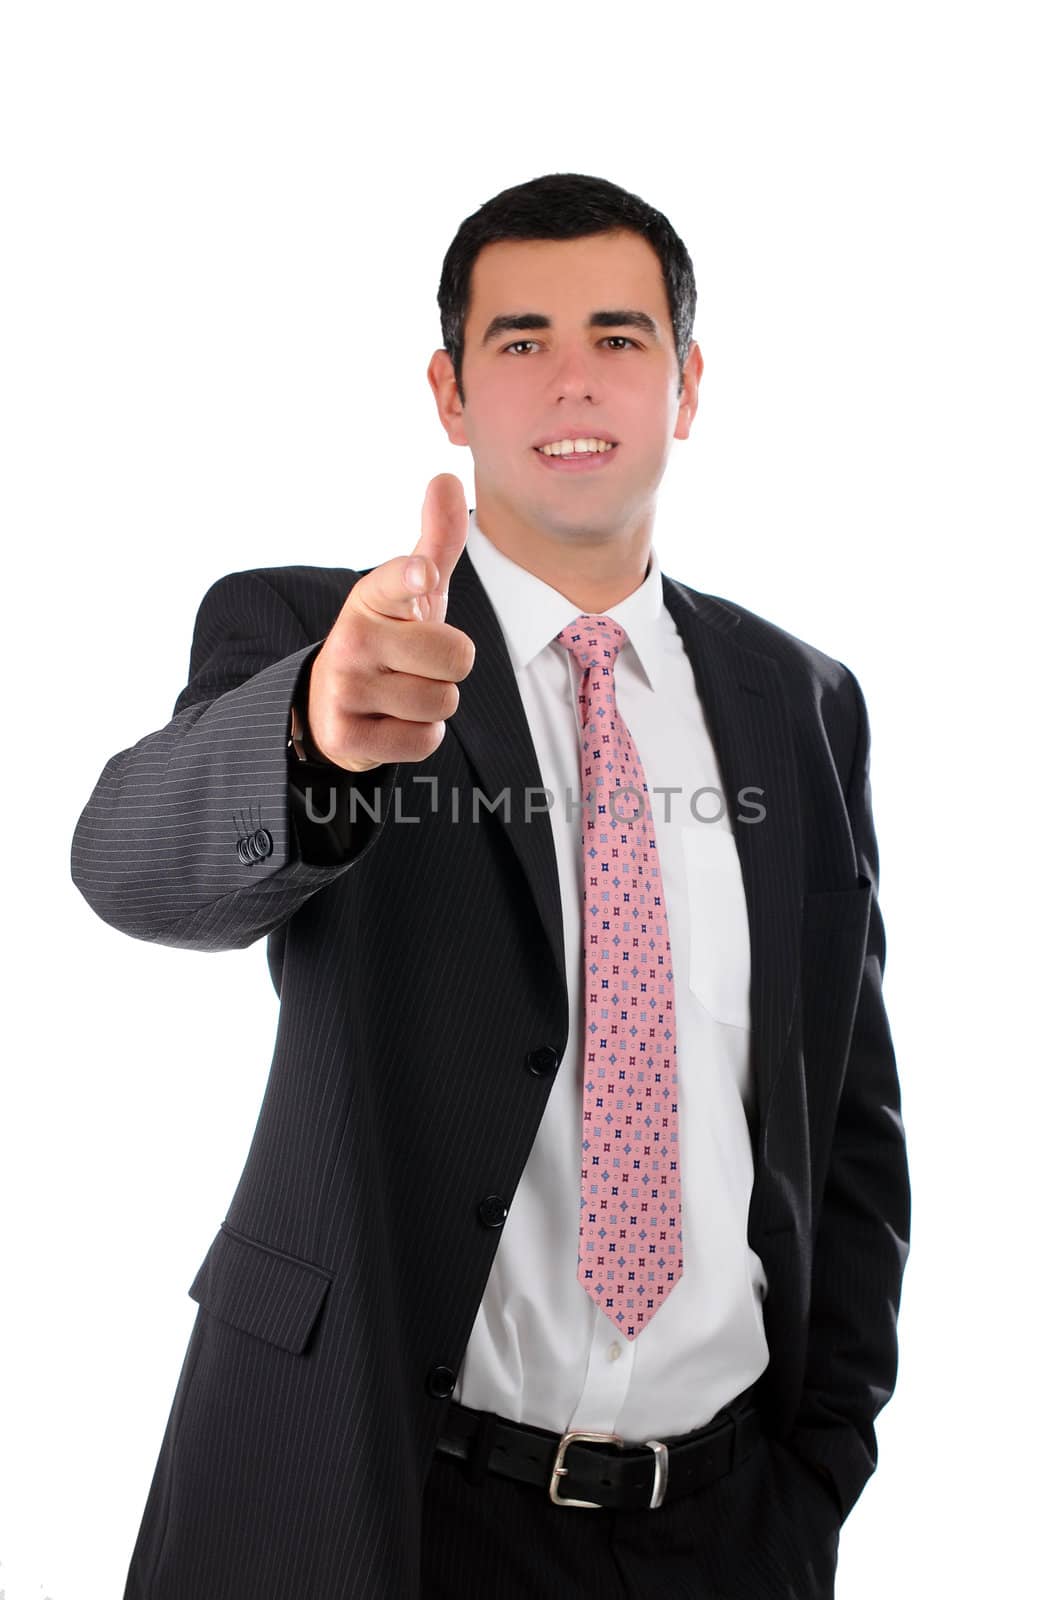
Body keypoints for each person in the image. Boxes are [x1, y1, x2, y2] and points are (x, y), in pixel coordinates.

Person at [71, 172, 910, 1600]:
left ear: (686, 384)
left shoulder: (800, 701)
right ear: (451, 392)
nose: (571, 376)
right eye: (519, 340)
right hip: (387, 1509)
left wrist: (816, 1470)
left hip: (724, 1526)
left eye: (620, 336)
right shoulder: (321, 635)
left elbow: (845, 1119)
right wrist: (315, 738)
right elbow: (130, 861)